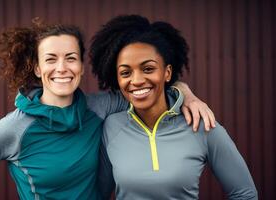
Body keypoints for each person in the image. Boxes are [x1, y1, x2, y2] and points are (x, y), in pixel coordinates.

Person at [0, 18, 215, 200]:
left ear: (80, 66)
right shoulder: (12, 129)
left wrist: (186, 93)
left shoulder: (99, 107)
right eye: (51, 59)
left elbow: (149, 89)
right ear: (37, 68)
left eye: (71, 58)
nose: (62, 68)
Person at [91, 15, 257, 200]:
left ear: (167, 72)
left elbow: (245, 193)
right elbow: (98, 195)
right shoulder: (111, 127)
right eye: (125, 72)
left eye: (148, 69)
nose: (136, 80)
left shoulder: (201, 125)